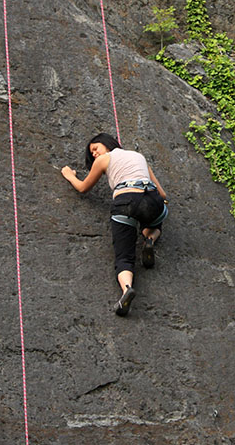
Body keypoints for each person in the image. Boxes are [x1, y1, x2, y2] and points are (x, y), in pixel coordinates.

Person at [61, 133, 168, 316]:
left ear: (106, 143)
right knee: (157, 220)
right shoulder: (138, 156)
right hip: (150, 196)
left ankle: (127, 289)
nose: (94, 154)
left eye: (95, 148)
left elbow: (83, 188)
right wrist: (160, 203)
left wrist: (69, 175)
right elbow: (163, 195)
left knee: (124, 256)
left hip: (126, 201)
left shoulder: (104, 159)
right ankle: (149, 239)